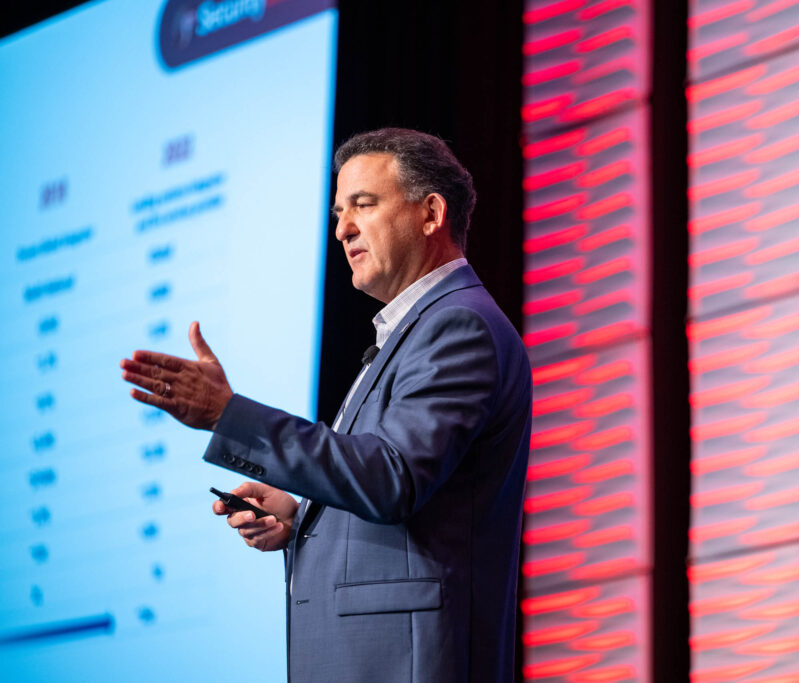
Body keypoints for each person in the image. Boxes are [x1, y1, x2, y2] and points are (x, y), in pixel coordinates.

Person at [119, 128, 532, 683]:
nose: (342, 229)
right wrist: (303, 517)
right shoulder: (415, 330)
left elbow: (392, 478)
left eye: (363, 205)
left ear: (431, 213)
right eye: (339, 211)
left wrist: (228, 415)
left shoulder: (457, 326)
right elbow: (406, 495)